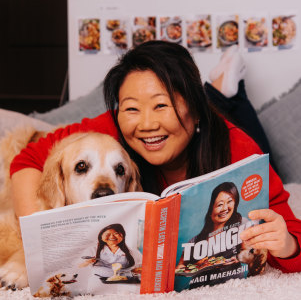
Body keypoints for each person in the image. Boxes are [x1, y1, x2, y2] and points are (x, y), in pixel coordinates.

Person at [10, 41, 301, 275]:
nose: (146, 124)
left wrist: (287, 244)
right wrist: (36, 245)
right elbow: (28, 160)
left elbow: (294, 238)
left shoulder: (238, 148)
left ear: (196, 108)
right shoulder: (114, 128)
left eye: (162, 105)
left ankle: (225, 91)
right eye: (132, 108)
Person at [175, 182, 257, 288]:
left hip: (233, 289)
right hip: (199, 291)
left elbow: (250, 256)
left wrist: (239, 258)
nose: (225, 208)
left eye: (229, 202)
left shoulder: (240, 227)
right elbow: (179, 268)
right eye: (219, 204)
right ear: (211, 209)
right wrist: (200, 265)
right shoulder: (194, 241)